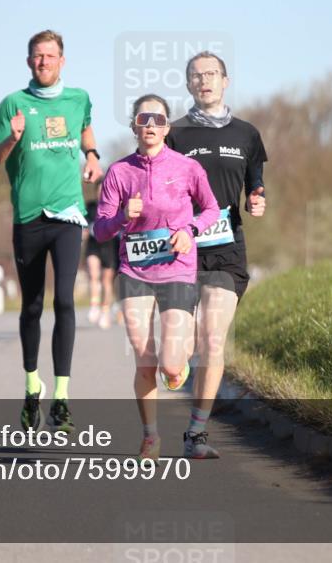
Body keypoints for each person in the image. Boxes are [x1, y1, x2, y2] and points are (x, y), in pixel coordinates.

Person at [0, 30, 103, 433]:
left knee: (65, 300)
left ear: (62, 61)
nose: (44, 62)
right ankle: (32, 384)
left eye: (50, 56)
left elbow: (85, 127)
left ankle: (62, 398)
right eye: (37, 56)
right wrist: (10, 139)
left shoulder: (79, 98)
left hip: (67, 214)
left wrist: (92, 155)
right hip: (28, 217)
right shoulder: (13, 104)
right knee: (32, 305)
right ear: (28, 61)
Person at [93, 94, 219, 460]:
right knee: (144, 359)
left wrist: (191, 230)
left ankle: (177, 366)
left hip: (177, 268)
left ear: (167, 128)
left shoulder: (187, 167)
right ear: (134, 125)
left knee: (172, 365)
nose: (150, 125)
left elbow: (211, 209)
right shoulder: (119, 172)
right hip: (134, 270)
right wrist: (121, 217)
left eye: (158, 120)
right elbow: (99, 230)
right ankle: (151, 436)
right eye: (143, 119)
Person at [164, 52, 267, 459]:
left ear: (225, 81)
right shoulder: (175, 135)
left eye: (211, 74)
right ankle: (175, 366)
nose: (204, 80)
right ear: (188, 84)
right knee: (179, 354)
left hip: (226, 249)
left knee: (212, 338)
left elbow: (255, 182)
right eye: (196, 75)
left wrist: (257, 199)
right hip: (179, 250)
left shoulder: (247, 134)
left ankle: (197, 433)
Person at [83, 184, 119, 329]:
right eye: (99, 190)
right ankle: (94, 305)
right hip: (94, 245)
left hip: (110, 246)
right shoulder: (90, 207)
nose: (101, 193)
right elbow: (85, 226)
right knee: (93, 274)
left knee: (106, 280)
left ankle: (105, 311)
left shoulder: (116, 207)